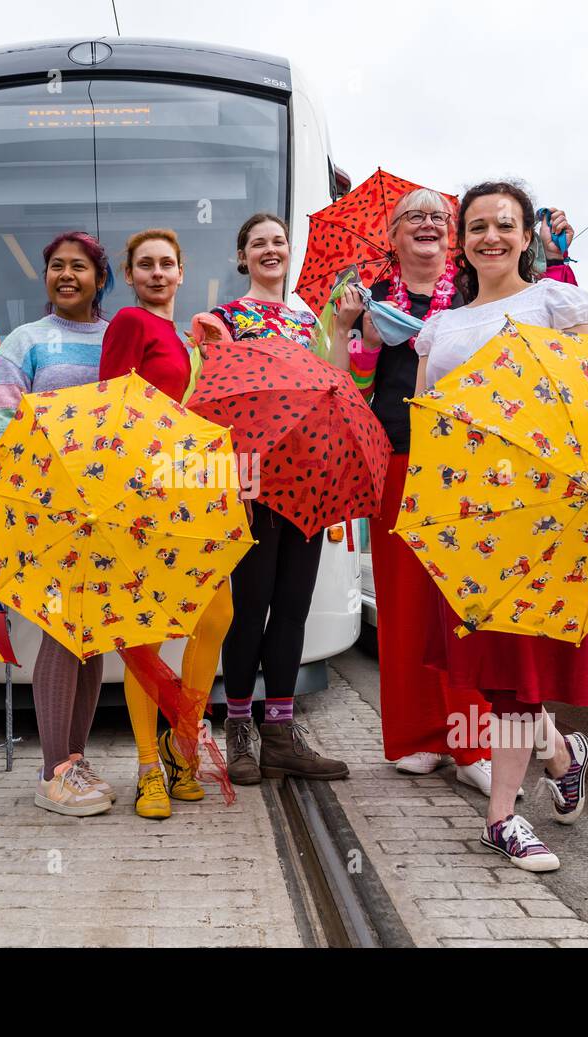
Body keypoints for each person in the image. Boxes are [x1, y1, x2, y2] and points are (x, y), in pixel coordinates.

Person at [328, 190, 574, 795]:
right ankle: (419, 737)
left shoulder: (476, 292)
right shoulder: (369, 300)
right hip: (396, 454)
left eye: (439, 217)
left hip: (473, 463)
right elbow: (348, 382)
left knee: (463, 602)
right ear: (392, 234)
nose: (429, 227)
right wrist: (345, 328)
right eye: (415, 218)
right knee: (406, 601)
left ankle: (474, 741)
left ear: (455, 235)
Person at [411, 181, 588, 872]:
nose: (490, 236)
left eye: (505, 224)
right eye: (477, 226)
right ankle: (558, 752)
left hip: (539, 508)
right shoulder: (436, 327)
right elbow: (427, 420)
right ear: (461, 240)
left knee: (519, 672)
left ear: (529, 236)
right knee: (498, 669)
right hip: (467, 514)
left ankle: (501, 817)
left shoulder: (558, 303)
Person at [99, 227, 233, 819]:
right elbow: (110, 406)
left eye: (167, 265)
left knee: (215, 615)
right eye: (146, 265)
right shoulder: (131, 323)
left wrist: (213, 346)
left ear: (182, 273)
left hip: (197, 489)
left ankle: (183, 744)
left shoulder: (187, 336)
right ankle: (149, 769)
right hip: (145, 491)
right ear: (130, 276)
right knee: (145, 632)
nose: (157, 273)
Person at [211, 213, 349, 786]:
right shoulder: (222, 319)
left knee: (293, 608)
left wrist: (341, 329)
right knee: (249, 608)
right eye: (258, 243)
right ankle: (239, 728)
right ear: (242, 257)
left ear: (290, 254)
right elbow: (213, 399)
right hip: (251, 479)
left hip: (307, 476)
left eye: (279, 242)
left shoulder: (308, 319)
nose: (271, 250)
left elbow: (337, 386)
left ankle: (282, 734)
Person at [0, 231, 114, 817]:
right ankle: (52, 772)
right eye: (56, 266)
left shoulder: (118, 337)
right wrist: (29, 485)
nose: (66, 275)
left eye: (79, 267)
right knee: (63, 631)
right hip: (47, 507)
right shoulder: (26, 340)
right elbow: (0, 420)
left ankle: (75, 761)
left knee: (93, 638)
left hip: (109, 510)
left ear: (99, 278)